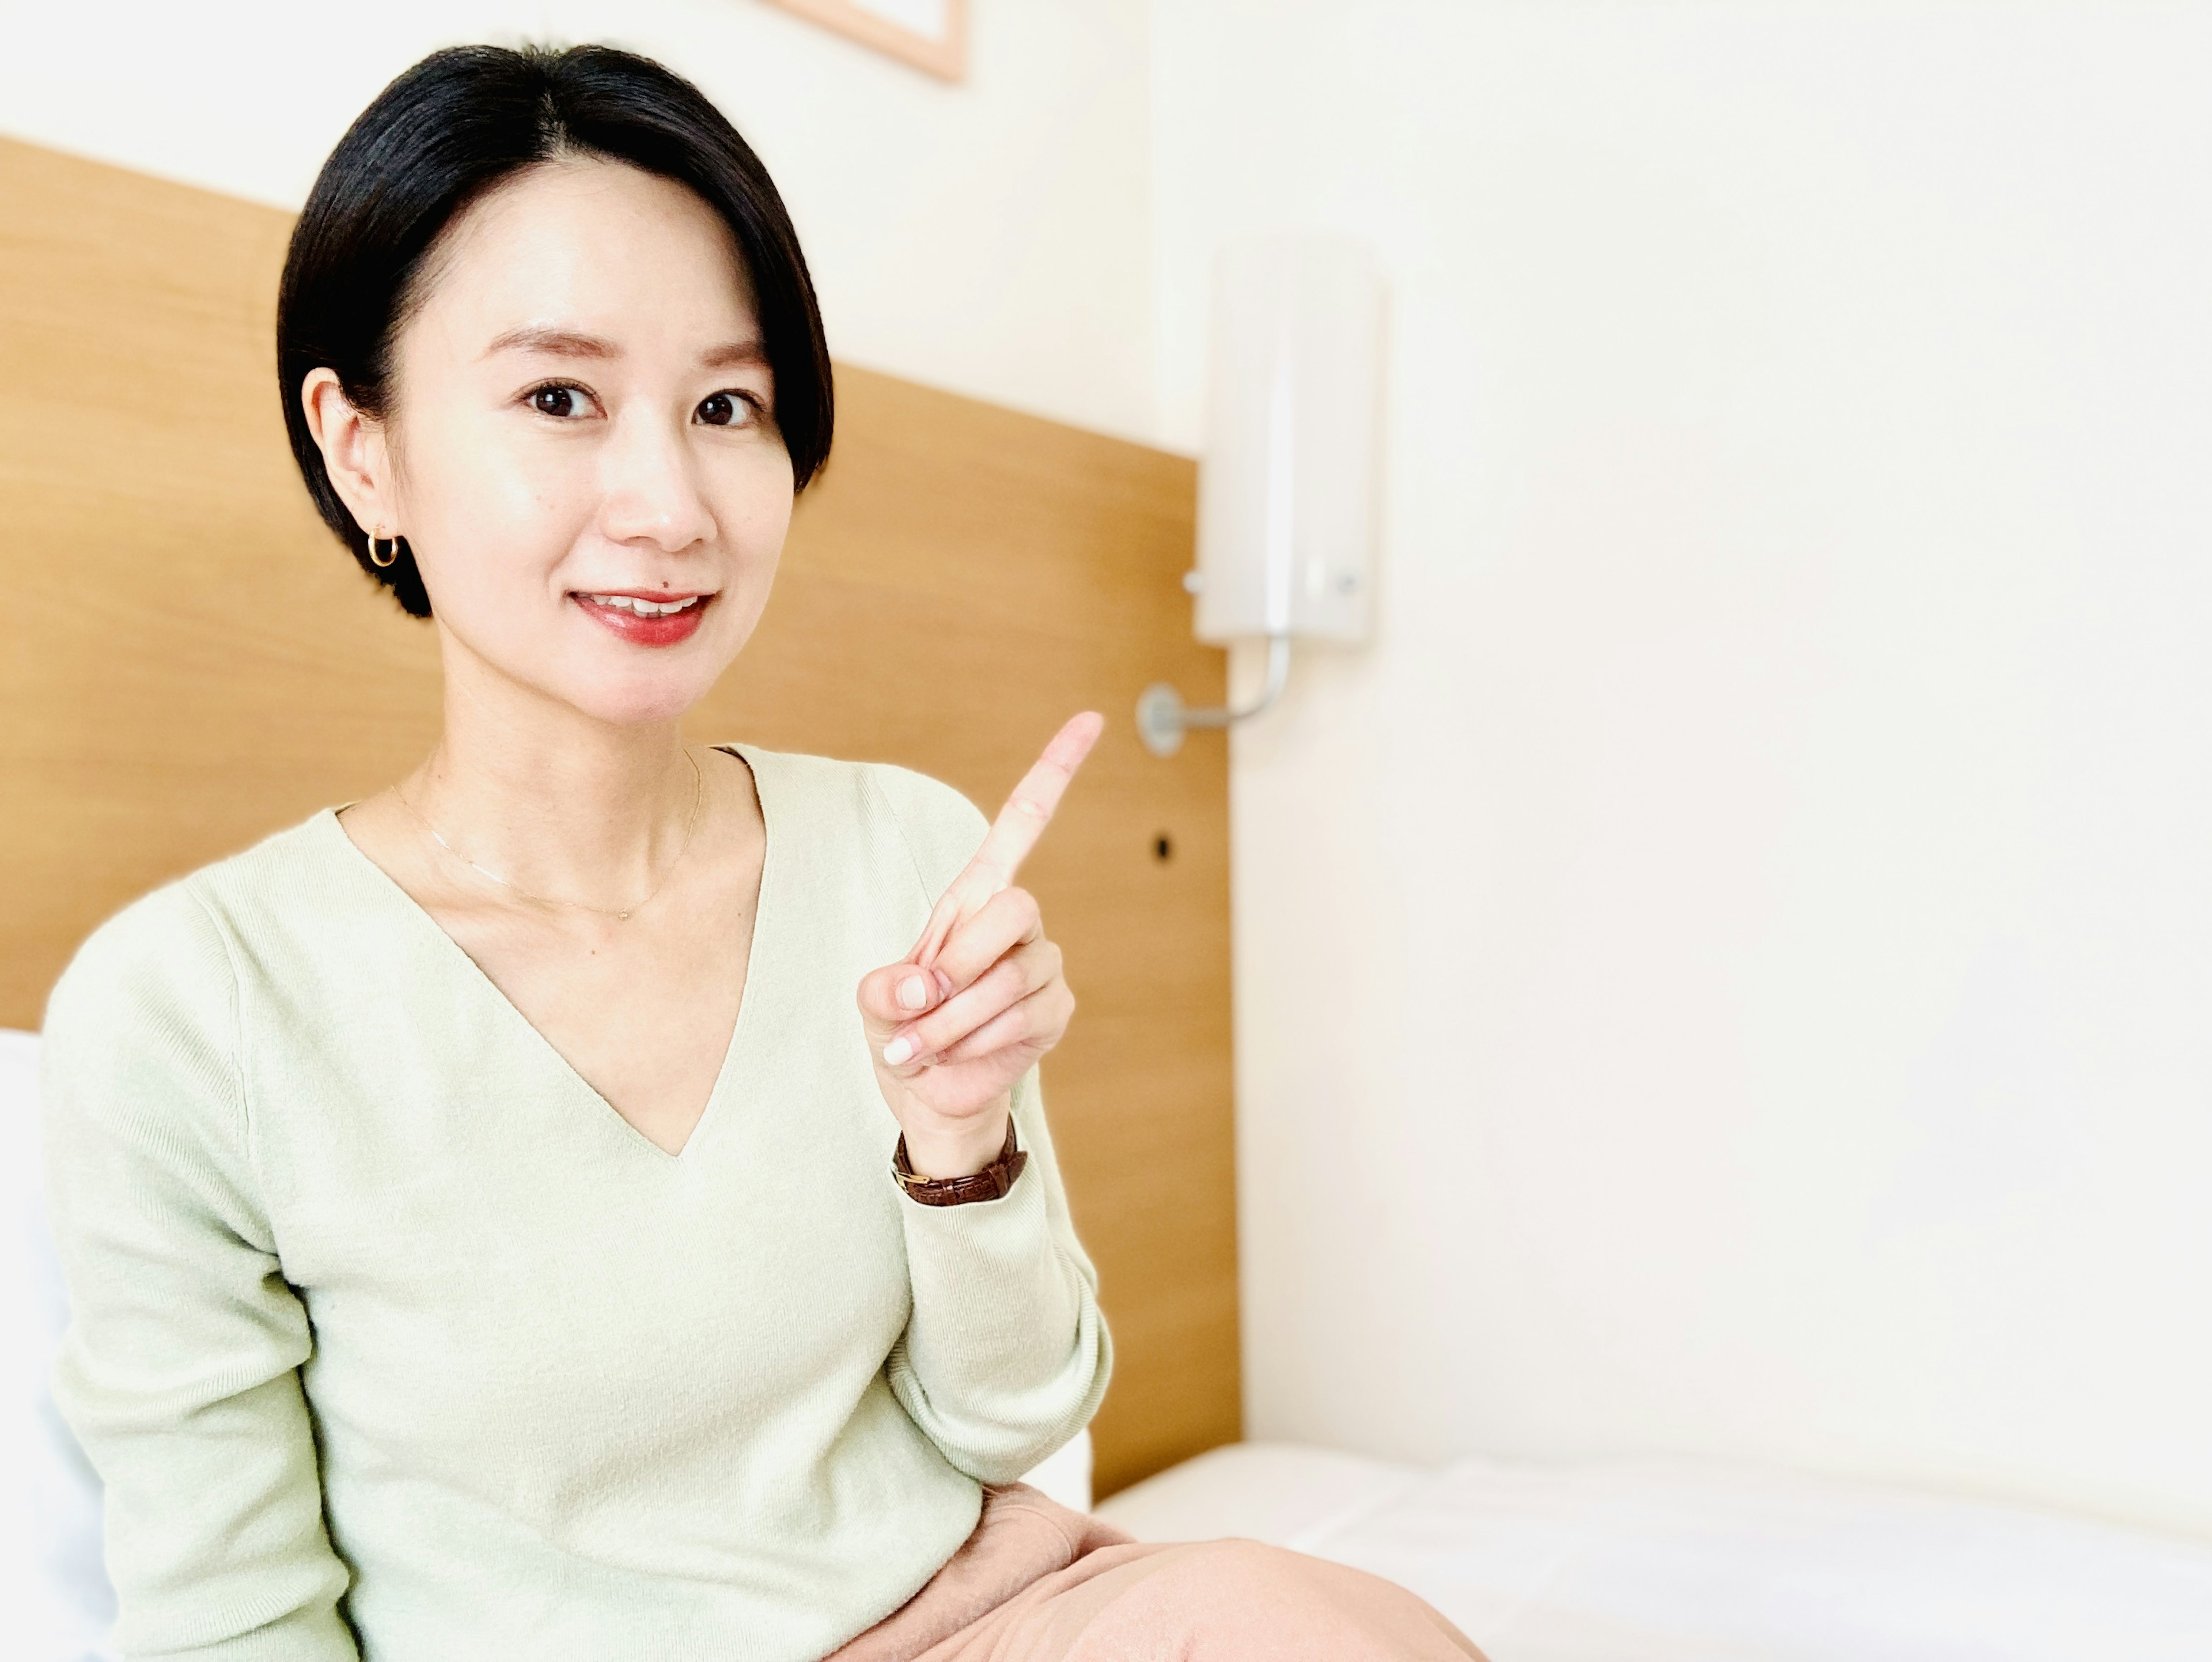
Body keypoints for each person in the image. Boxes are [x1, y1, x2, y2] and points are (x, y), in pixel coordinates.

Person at [39, 43, 1483, 1661]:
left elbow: (1018, 1419)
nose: (669, 502)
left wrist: (960, 1142)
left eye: (726, 404)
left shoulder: (904, 853)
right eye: (559, 397)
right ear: (360, 443)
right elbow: (228, 1626)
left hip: (985, 1618)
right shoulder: (194, 1006)